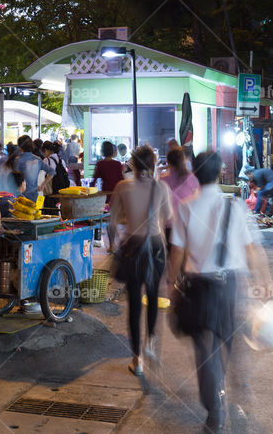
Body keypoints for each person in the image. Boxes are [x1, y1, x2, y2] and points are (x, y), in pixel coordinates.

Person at [169, 152, 273, 432]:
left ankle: (215, 410)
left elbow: (177, 253)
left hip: (198, 288)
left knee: (206, 351)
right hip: (231, 287)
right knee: (226, 346)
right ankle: (227, 394)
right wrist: (265, 280)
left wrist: (171, 285)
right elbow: (252, 248)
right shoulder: (237, 207)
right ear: (219, 174)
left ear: (194, 175)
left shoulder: (184, 207)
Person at [108, 145, 172, 377]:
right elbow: (167, 219)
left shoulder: (123, 187)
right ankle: (151, 342)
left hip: (132, 248)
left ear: (132, 165)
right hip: (155, 247)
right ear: (153, 164)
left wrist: (112, 244)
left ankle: (137, 360)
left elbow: (112, 221)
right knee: (153, 296)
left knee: (134, 304)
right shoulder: (161, 187)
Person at [160, 147, 200, 246]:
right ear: (183, 160)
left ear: (168, 162)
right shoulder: (191, 178)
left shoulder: (162, 180)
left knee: (171, 258)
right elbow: (197, 201)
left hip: (168, 225)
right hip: (187, 224)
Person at [14, 136, 55, 203]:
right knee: (34, 212)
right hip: (34, 195)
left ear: (19, 146)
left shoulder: (17, 160)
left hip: (20, 196)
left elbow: (14, 178)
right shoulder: (38, 159)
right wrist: (43, 185)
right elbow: (52, 172)